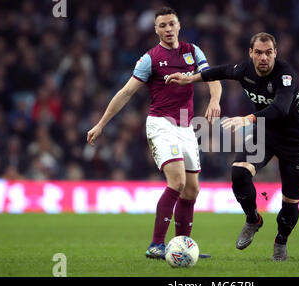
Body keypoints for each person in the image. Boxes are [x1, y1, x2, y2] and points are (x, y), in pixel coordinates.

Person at [87, 7, 222, 259]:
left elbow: (212, 77)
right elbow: (126, 92)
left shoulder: (193, 51)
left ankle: (182, 246)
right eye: (163, 26)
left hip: (186, 126)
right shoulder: (150, 58)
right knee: (178, 182)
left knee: (192, 190)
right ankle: (156, 245)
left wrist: (215, 100)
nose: (168, 29)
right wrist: (101, 124)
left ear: (179, 25)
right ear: (156, 30)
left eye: (172, 24)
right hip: (161, 124)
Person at [166, 32, 299, 261]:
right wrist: (189, 79)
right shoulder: (245, 70)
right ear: (251, 53)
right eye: (259, 52)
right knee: (239, 173)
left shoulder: (286, 75)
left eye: (269, 52)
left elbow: (281, 108)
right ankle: (253, 219)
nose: (264, 57)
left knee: (291, 200)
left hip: (295, 140)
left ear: (276, 53)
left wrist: (247, 119)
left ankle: (281, 241)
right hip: (265, 133)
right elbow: (219, 71)